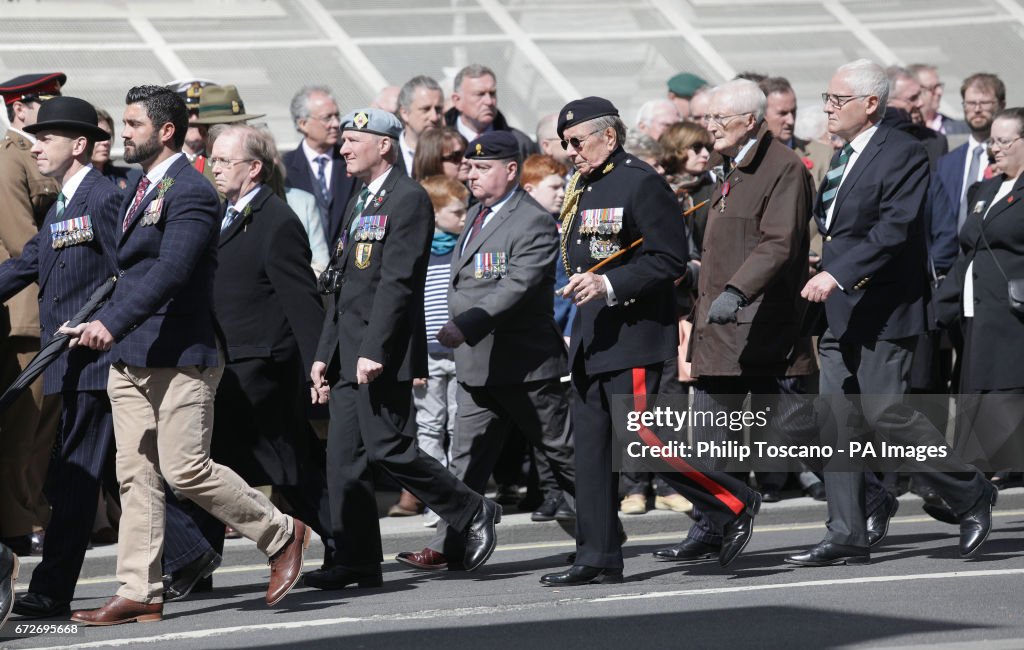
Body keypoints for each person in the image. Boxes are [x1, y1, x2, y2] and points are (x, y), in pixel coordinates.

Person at [61, 85, 310, 625]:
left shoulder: (192, 191)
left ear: (165, 130)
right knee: (136, 476)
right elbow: (129, 272)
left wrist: (110, 322)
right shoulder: (137, 186)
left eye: (132, 124)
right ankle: (140, 590)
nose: (122, 134)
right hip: (132, 356)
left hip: (181, 354)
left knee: (185, 469)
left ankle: (283, 532)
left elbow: (172, 272)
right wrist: (94, 319)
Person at [539, 97, 762, 587]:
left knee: (645, 441)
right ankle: (596, 555)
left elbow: (668, 260)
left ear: (608, 136)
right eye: (564, 144)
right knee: (593, 450)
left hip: (634, 334)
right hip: (592, 336)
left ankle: (733, 501)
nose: (569, 151)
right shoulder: (584, 184)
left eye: (576, 141)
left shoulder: (640, 182)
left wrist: (610, 285)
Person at [787, 60, 996, 567]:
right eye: (828, 98)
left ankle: (971, 491)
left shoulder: (902, 152)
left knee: (887, 415)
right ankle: (846, 533)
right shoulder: (842, 154)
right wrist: (825, 261)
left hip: (884, 309)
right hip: (841, 311)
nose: (828, 108)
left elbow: (894, 228)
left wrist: (838, 273)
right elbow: (839, 226)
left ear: (870, 104)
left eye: (837, 100)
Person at [305, 108, 500, 590]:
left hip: (380, 352)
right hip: (349, 349)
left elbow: (397, 284)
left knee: (389, 447)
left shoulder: (407, 198)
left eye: (353, 140)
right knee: (343, 461)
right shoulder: (360, 198)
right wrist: (323, 355)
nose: (344, 148)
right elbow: (343, 285)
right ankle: (356, 559)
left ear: (384, 145)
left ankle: (473, 509)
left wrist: (375, 350)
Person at [396, 132, 576, 571]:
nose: (470, 174)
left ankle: (601, 533)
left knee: (563, 452)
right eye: (469, 168)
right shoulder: (476, 214)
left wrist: (467, 324)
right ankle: (447, 544)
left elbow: (517, 285)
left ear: (511, 171)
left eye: (482, 168)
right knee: (466, 458)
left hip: (524, 365)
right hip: (477, 364)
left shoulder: (530, 220)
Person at [653, 80, 817, 562]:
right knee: (706, 436)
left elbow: (779, 243)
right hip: (720, 329)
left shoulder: (783, 166)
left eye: (718, 120)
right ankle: (712, 524)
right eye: (707, 119)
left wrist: (737, 290)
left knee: (797, 435)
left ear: (750, 120)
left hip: (764, 327)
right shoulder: (731, 169)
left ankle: (872, 498)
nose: (709, 128)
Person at [178, 123, 334, 578]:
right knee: (215, 465)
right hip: (230, 362)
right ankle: (195, 563)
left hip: (263, 366)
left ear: (254, 169)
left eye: (227, 160)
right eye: (215, 159)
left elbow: (301, 300)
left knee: (286, 468)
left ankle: (347, 548)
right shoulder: (223, 213)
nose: (216, 168)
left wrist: (317, 367)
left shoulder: (275, 218)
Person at [0, 96, 121, 619]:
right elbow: (24, 265)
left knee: (79, 476)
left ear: (78, 145)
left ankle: (52, 591)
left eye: (45, 138)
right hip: (67, 362)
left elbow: (131, 272)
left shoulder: (104, 198)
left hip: (97, 359)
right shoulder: (61, 206)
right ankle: (190, 555)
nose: (35, 145)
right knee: (92, 474)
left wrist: (109, 327)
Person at [936, 108, 1024, 485]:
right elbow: (967, 253)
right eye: (993, 140)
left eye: (1005, 141)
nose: (995, 148)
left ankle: (967, 489)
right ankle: (968, 490)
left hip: (1012, 317)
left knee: (1002, 399)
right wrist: (937, 307)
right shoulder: (984, 189)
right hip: (975, 314)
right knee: (974, 396)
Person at [0, 72, 65, 558]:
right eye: (47, 102)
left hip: (50, 305)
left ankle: (26, 513)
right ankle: (17, 521)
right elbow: (25, 242)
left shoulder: (41, 155)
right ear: (20, 108)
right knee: (27, 423)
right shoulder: (9, 159)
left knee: (43, 426)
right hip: (28, 308)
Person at [411, 174, 469, 508]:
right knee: (430, 425)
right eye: (456, 213)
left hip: (461, 351)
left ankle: (461, 495)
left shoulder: (464, 250)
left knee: (460, 424)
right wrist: (413, 356)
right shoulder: (417, 252)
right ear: (433, 215)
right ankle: (438, 500)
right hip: (428, 356)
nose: (464, 218)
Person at [282, 85, 358, 250]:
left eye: (337, 116)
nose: (336, 123)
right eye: (327, 118)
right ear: (303, 123)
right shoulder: (284, 168)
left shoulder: (354, 161)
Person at [445, 64, 536, 161]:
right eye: (480, 94)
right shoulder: (438, 144)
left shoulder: (520, 144)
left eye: (492, 93)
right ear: (457, 100)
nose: (489, 101)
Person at [395, 75, 445, 176]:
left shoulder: (454, 155)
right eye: (425, 109)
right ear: (405, 113)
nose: (434, 117)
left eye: (438, 109)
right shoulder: (387, 156)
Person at [908, 64, 969, 136]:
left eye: (939, 86)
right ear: (915, 92)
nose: (940, 92)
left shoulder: (961, 129)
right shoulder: (901, 130)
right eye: (932, 88)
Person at [92, 107, 138, 194]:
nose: (106, 142)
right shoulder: (66, 180)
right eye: (98, 135)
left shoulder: (133, 178)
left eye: (108, 135)